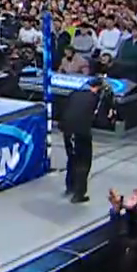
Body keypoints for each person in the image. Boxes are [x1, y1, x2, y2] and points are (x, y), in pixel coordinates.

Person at [58, 74, 103, 203]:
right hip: (81, 132)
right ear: (97, 88)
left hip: (67, 130)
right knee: (83, 162)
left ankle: (70, 186)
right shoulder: (95, 98)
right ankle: (79, 194)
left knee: (72, 158)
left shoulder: (74, 94)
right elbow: (99, 117)